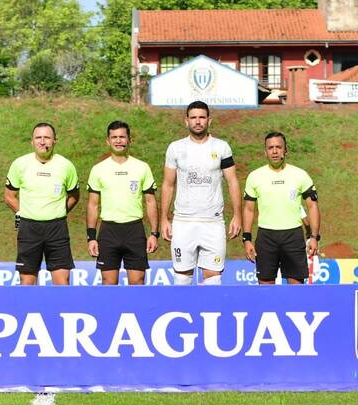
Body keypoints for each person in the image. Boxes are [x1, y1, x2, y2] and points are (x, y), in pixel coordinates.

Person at [160, 101, 241, 285]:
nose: (198, 121)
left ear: (209, 120)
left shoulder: (221, 147)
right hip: (183, 222)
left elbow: (233, 182)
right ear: (186, 121)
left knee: (213, 280)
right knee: (181, 279)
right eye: (193, 117)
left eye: (202, 117)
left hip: (213, 223)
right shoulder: (175, 148)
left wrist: (237, 216)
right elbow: (168, 184)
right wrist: (164, 218)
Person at [4, 122, 79, 285]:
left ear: (54, 141)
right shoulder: (19, 164)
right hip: (29, 228)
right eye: (38, 137)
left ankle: (61, 311)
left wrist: (59, 211)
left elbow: (74, 196)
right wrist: (26, 212)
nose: (42, 141)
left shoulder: (66, 166)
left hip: (57, 229)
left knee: (62, 283)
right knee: (27, 283)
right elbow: (9, 196)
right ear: (32, 141)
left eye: (47, 137)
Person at [242, 131, 320, 285]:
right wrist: (247, 239)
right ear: (265, 151)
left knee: (296, 290)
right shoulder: (255, 176)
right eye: (270, 148)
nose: (275, 151)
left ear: (286, 150)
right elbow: (248, 209)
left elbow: (312, 206)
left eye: (279, 147)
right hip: (266, 237)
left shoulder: (300, 175)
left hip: (293, 236)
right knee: (265, 290)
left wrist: (314, 237)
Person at [86, 120, 159, 285]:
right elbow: (93, 205)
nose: (118, 141)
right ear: (108, 141)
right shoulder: (98, 169)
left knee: (138, 282)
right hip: (108, 231)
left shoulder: (142, 167)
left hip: (134, 230)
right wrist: (91, 237)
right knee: (108, 283)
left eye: (122, 137)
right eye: (114, 137)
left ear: (129, 140)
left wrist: (154, 234)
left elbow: (150, 201)